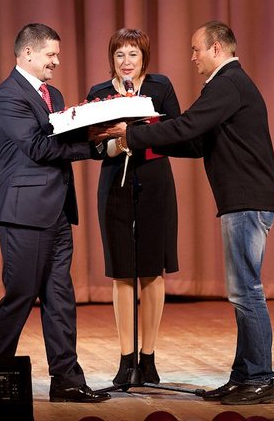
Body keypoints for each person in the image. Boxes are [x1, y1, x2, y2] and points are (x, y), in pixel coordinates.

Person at [110, 21, 274, 405]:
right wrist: (146, 143)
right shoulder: (229, 85)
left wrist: (131, 136)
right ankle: (243, 377)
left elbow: (188, 125)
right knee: (241, 292)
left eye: (196, 49)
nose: (192, 57)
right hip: (243, 200)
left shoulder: (227, 83)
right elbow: (197, 142)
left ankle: (261, 379)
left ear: (216, 49)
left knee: (247, 292)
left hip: (247, 200)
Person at [0, 23, 111, 403]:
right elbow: (39, 148)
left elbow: (61, 136)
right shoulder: (6, 97)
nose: (56, 61)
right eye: (50, 54)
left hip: (57, 211)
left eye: (57, 54)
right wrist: (91, 146)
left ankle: (67, 380)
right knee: (21, 296)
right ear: (27, 53)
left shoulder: (52, 94)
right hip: (23, 213)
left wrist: (95, 129)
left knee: (60, 298)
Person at [86, 28, 181, 386]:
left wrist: (140, 131)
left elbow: (177, 130)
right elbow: (93, 145)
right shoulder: (99, 93)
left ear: (144, 58)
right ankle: (127, 359)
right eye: (120, 54)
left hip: (155, 180)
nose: (126, 62)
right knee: (123, 270)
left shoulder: (160, 87)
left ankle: (149, 358)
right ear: (111, 58)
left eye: (133, 54)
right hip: (115, 181)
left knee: (152, 270)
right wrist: (116, 141)